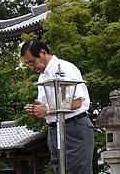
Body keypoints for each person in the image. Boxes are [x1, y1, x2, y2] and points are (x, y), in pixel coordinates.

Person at [21, 39, 94, 174]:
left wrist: (47, 111)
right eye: (28, 64)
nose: (31, 67)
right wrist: (36, 111)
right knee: (59, 168)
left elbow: (76, 102)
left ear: (43, 53)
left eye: (32, 62)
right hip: (54, 129)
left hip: (74, 126)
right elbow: (45, 109)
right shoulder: (42, 77)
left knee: (76, 169)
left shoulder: (64, 68)